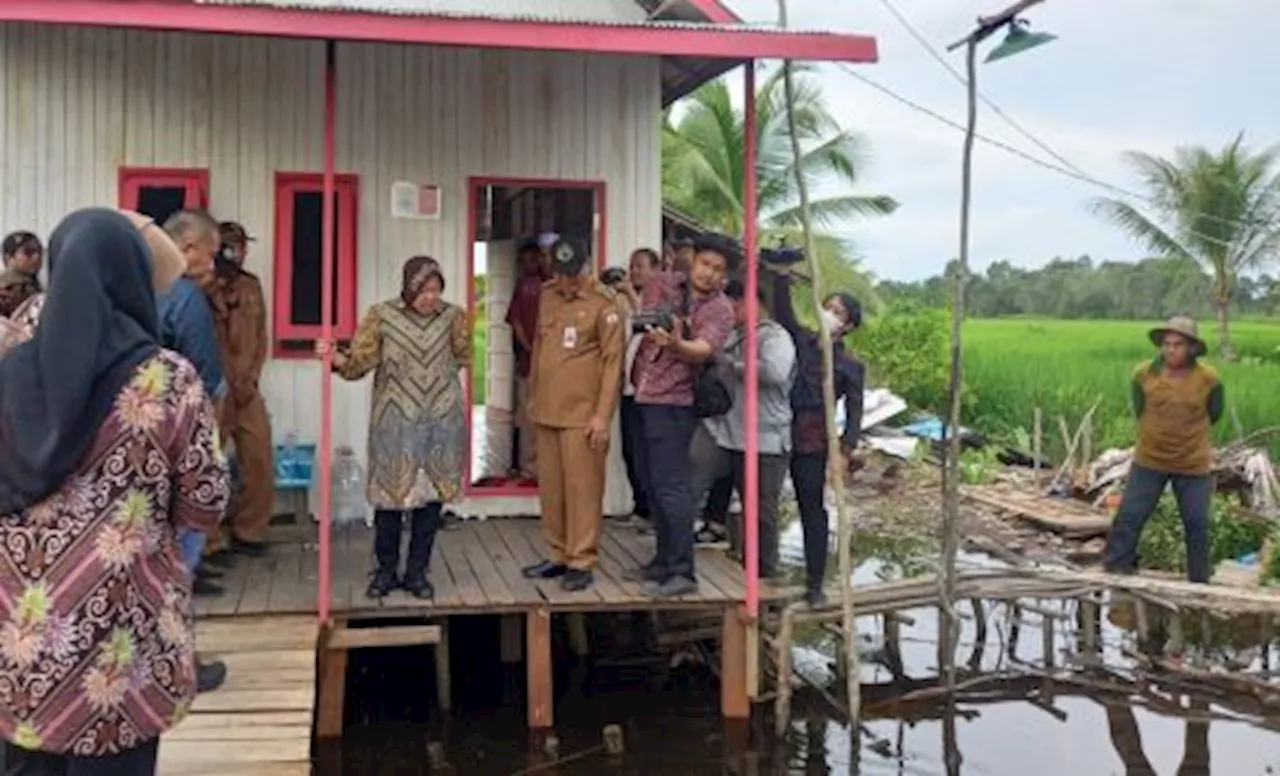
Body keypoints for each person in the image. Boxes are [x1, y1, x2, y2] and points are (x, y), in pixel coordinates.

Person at [0, 208, 229, 773]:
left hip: (20, 646)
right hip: (122, 654)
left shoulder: (9, 359)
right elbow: (205, 503)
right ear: (130, 275)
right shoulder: (169, 380)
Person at [331, 256, 469, 599]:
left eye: (437, 290)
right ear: (409, 288)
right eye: (424, 290)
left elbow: (464, 355)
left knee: (430, 502)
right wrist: (335, 358)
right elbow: (358, 364)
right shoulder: (382, 316)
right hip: (394, 424)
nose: (431, 297)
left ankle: (417, 573)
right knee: (390, 500)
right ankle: (386, 571)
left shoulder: (453, 317)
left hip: (440, 422)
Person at [628, 234, 736, 598]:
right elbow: (646, 306)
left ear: (725, 277)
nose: (709, 273)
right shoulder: (668, 283)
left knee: (673, 487)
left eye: (718, 270)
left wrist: (675, 344)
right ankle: (662, 560)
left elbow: (703, 349)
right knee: (652, 483)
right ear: (693, 262)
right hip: (644, 393)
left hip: (674, 402)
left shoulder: (720, 309)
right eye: (705, 264)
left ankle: (683, 571)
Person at [521, 239, 624, 592]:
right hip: (547, 409)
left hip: (583, 414)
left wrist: (602, 416)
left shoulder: (605, 305)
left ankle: (582, 559)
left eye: (571, 275)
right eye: (559, 275)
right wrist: (533, 397)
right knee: (551, 489)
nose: (564, 283)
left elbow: (613, 364)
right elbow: (539, 349)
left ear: (585, 268)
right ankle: (557, 554)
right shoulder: (548, 296)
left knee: (582, 489)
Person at [690, 278, 796, 580]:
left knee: (762, 511)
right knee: (743, 507)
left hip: (767, 441)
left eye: (737, 304)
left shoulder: (774, 337)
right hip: (735, 436)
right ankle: (745, 564)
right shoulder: (735, 336)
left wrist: (734, 365)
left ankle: (766, 573)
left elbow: (775, 371)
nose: (732, 310)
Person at [771, 268, 866, 606]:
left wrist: (845, 450)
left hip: (813, 442)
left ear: (849, 325)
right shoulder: (803, 341)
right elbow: (783, 314)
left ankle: (815, 584)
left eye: (838, 312)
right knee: (764, 504)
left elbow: (855, 412)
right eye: (827, 307)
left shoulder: (850, 366)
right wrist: (781, 279)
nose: (830, 314)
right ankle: (764, 572)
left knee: (812, 508)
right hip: (777, 431)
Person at [1105, 316, 1223, 583]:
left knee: (1197, 523)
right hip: (1150, 459)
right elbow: (1140, 409)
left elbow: (1214, 413)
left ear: (1192, 348)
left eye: (1178, 344)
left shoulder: (1208, 379)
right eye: (1167, 344)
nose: (1171, 350)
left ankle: (1199, 580)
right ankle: (1116, 568)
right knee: (1130, 516)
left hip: (1192, 463)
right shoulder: (1144, 374)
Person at [159, 210, 235, 586]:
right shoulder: (184, 295)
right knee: (191, 501)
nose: (213, 260)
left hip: (130, 424)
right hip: (179, 421)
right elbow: (205, 372)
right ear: (188, 248)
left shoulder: (131, 284)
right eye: (212, 251)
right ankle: (181, 578)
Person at [210, 221, 275, 556]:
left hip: (246, 387)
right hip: (214, 391)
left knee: (260, 457)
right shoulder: (204, 287)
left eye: (243, 246)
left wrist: (251, 377)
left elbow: (261, 337)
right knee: (210, 464)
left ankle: (249, 530)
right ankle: (211, 539)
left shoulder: (252, 286)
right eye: (235, 246)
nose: (242, 252)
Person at [618, 248, 658, 527]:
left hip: (649, 392)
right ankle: (639, 507)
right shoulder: (628, 302)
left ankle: (652, 512)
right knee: (630, 451)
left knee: (647, 454)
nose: (634, 272)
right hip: (628, 389)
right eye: (632, 267)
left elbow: (648, 322)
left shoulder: (658, 301)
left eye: (640, 267)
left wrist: (630, 295)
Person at [506, 238, 545, 479]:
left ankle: (536, 465)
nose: (532, 264)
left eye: (535, 258)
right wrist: (529, 346)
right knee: (529, 414)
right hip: (530, 361)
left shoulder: (550, 285)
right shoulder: (524, 286)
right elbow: (516, 320)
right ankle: (530, 466)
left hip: (544, 361)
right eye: (527, 260)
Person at [0, 231, 43, 318]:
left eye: (39, 251)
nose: (36, 257)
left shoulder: (33, 284)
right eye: (28, 252)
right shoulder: (6, 289)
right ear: (9, 258)